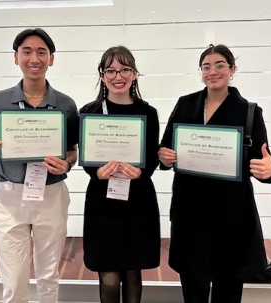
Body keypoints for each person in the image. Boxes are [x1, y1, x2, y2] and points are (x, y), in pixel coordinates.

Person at [158, 44, 271, 303]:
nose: (212, 71)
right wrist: (164, 156)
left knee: (228, 289)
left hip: (232, 217)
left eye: (220, 65)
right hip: (189, 212)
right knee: (193, 287)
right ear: (200, 73)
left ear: (232, 70)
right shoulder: (185, 104)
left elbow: (263, 159)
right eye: (206, 67)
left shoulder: (249, 111)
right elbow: (166, 147)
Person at [0, 28, 79, 303]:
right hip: (10, 197)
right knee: (13, 280)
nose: (35, 58)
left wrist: (66, 165)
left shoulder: (66, 105)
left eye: (41, 52)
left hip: (51, 196)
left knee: (48, 276)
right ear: (16, 57)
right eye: (27, 51)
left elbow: (72, 152)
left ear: (51, 59)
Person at [79, 45, 161, 303]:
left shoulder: (148, 113)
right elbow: (87, 159)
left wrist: (140, 171)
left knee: (133, 270)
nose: (118, 76)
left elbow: (151, 159)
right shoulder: (89, 113)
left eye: (125, 69)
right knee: (110, 276)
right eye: (111, 70)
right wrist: (97, 172)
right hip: (103, 202)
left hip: (137, 202)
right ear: (102, 75)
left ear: (135, 74)